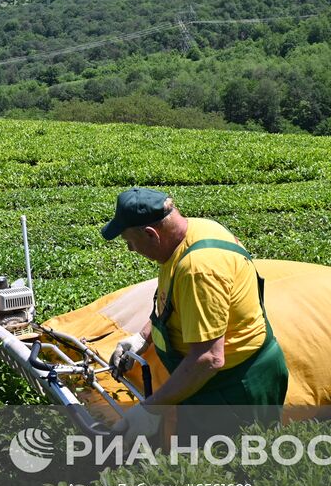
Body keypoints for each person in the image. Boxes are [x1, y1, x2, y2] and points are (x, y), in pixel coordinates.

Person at [101, 188, 288, 440]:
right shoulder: (193, 231)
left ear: (151, 234)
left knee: (230, 466)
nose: (131, 250)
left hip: (232, 390)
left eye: (129, 242)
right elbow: (175, 304)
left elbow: (209, 358)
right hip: (209, 382)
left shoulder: (198, 270)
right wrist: (142, 338)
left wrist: (151, 409)